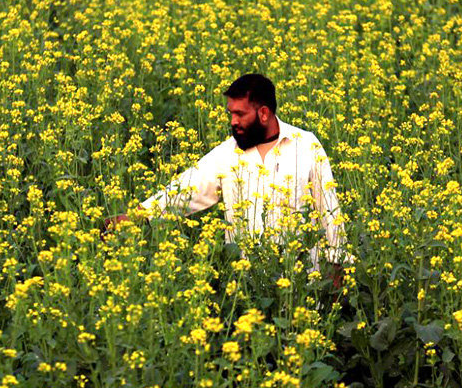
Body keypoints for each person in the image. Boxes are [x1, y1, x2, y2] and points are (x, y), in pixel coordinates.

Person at [105, 73, 352, 288]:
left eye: (240, 114)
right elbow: (186, 189)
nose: (233, 121)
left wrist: (336, 268)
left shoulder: (306, 145)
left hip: (302, 283)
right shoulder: (227, 153)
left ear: (264, 113)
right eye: (230, 113)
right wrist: (135, 217)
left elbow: (329, 211)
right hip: (248, 287)